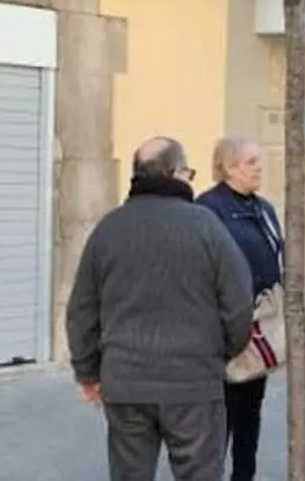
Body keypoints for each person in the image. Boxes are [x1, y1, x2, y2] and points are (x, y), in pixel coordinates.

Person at [66, 136, 254, 481]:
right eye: (188, 172)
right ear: (174, 172)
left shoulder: (109, 228)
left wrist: (87, 371)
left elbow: (82, 310)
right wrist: (222, 352)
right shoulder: (206, 226)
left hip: (126, 383)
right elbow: (240, 303)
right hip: (194, 382)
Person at [196, 135, 283, 481]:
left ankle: (244, 475)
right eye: (251, 162)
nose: (259, 168)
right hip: (222, 333)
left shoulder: (263, 209)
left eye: (259, 161)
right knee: (220, 419)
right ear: (229, 167)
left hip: (258, 328)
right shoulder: (208, 210)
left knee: (250, 413)